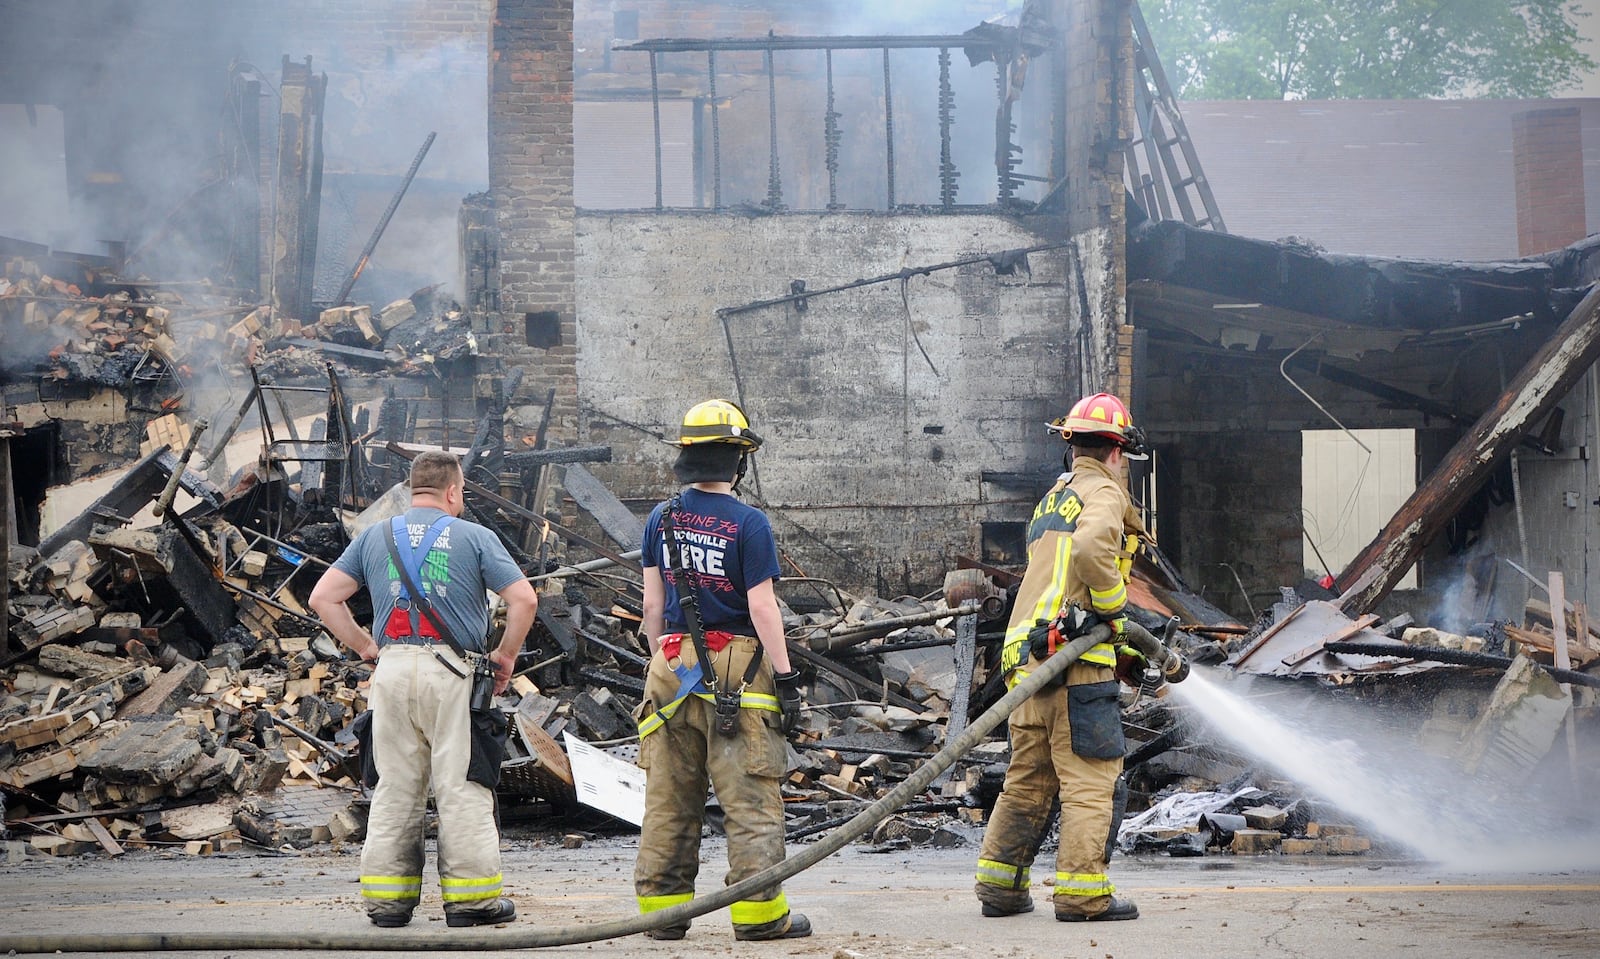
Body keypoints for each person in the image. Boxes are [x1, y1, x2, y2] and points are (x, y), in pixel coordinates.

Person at [309, 450, 538, 929]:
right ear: (453, 492)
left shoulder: (375, 535)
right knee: (462, 786)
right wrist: (507, 655)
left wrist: (367, 648)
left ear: (414, 490)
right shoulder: (475, 537)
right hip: (452, 674)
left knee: (395, 787)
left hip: (391, 674)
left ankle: (388, 904)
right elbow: (523, 598)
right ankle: (471, 903)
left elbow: (323, 598)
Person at [632, 399, 810, 942]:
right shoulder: (749, 523)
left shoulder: (662, 518)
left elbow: (650, 609)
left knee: (669, 795)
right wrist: (784, 677)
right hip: (734, 668)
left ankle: (663, 918)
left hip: (669, 664)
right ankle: (759, 917)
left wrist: (663, 654)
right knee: (750, 794)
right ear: (738, 461)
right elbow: (762, 608)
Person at [974, 392, 1148, 923]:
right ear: (1117, 452)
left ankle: (999, 889)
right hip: (1073, 664)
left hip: (1025, 661)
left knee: (1028, 779)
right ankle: (1081, 894)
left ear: (1071, 446)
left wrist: (1117, 643)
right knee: (1092, 779)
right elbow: (1095, 551)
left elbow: (1056, 580)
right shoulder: (1105, 493)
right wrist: (1117, 612)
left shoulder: (1053, 498)